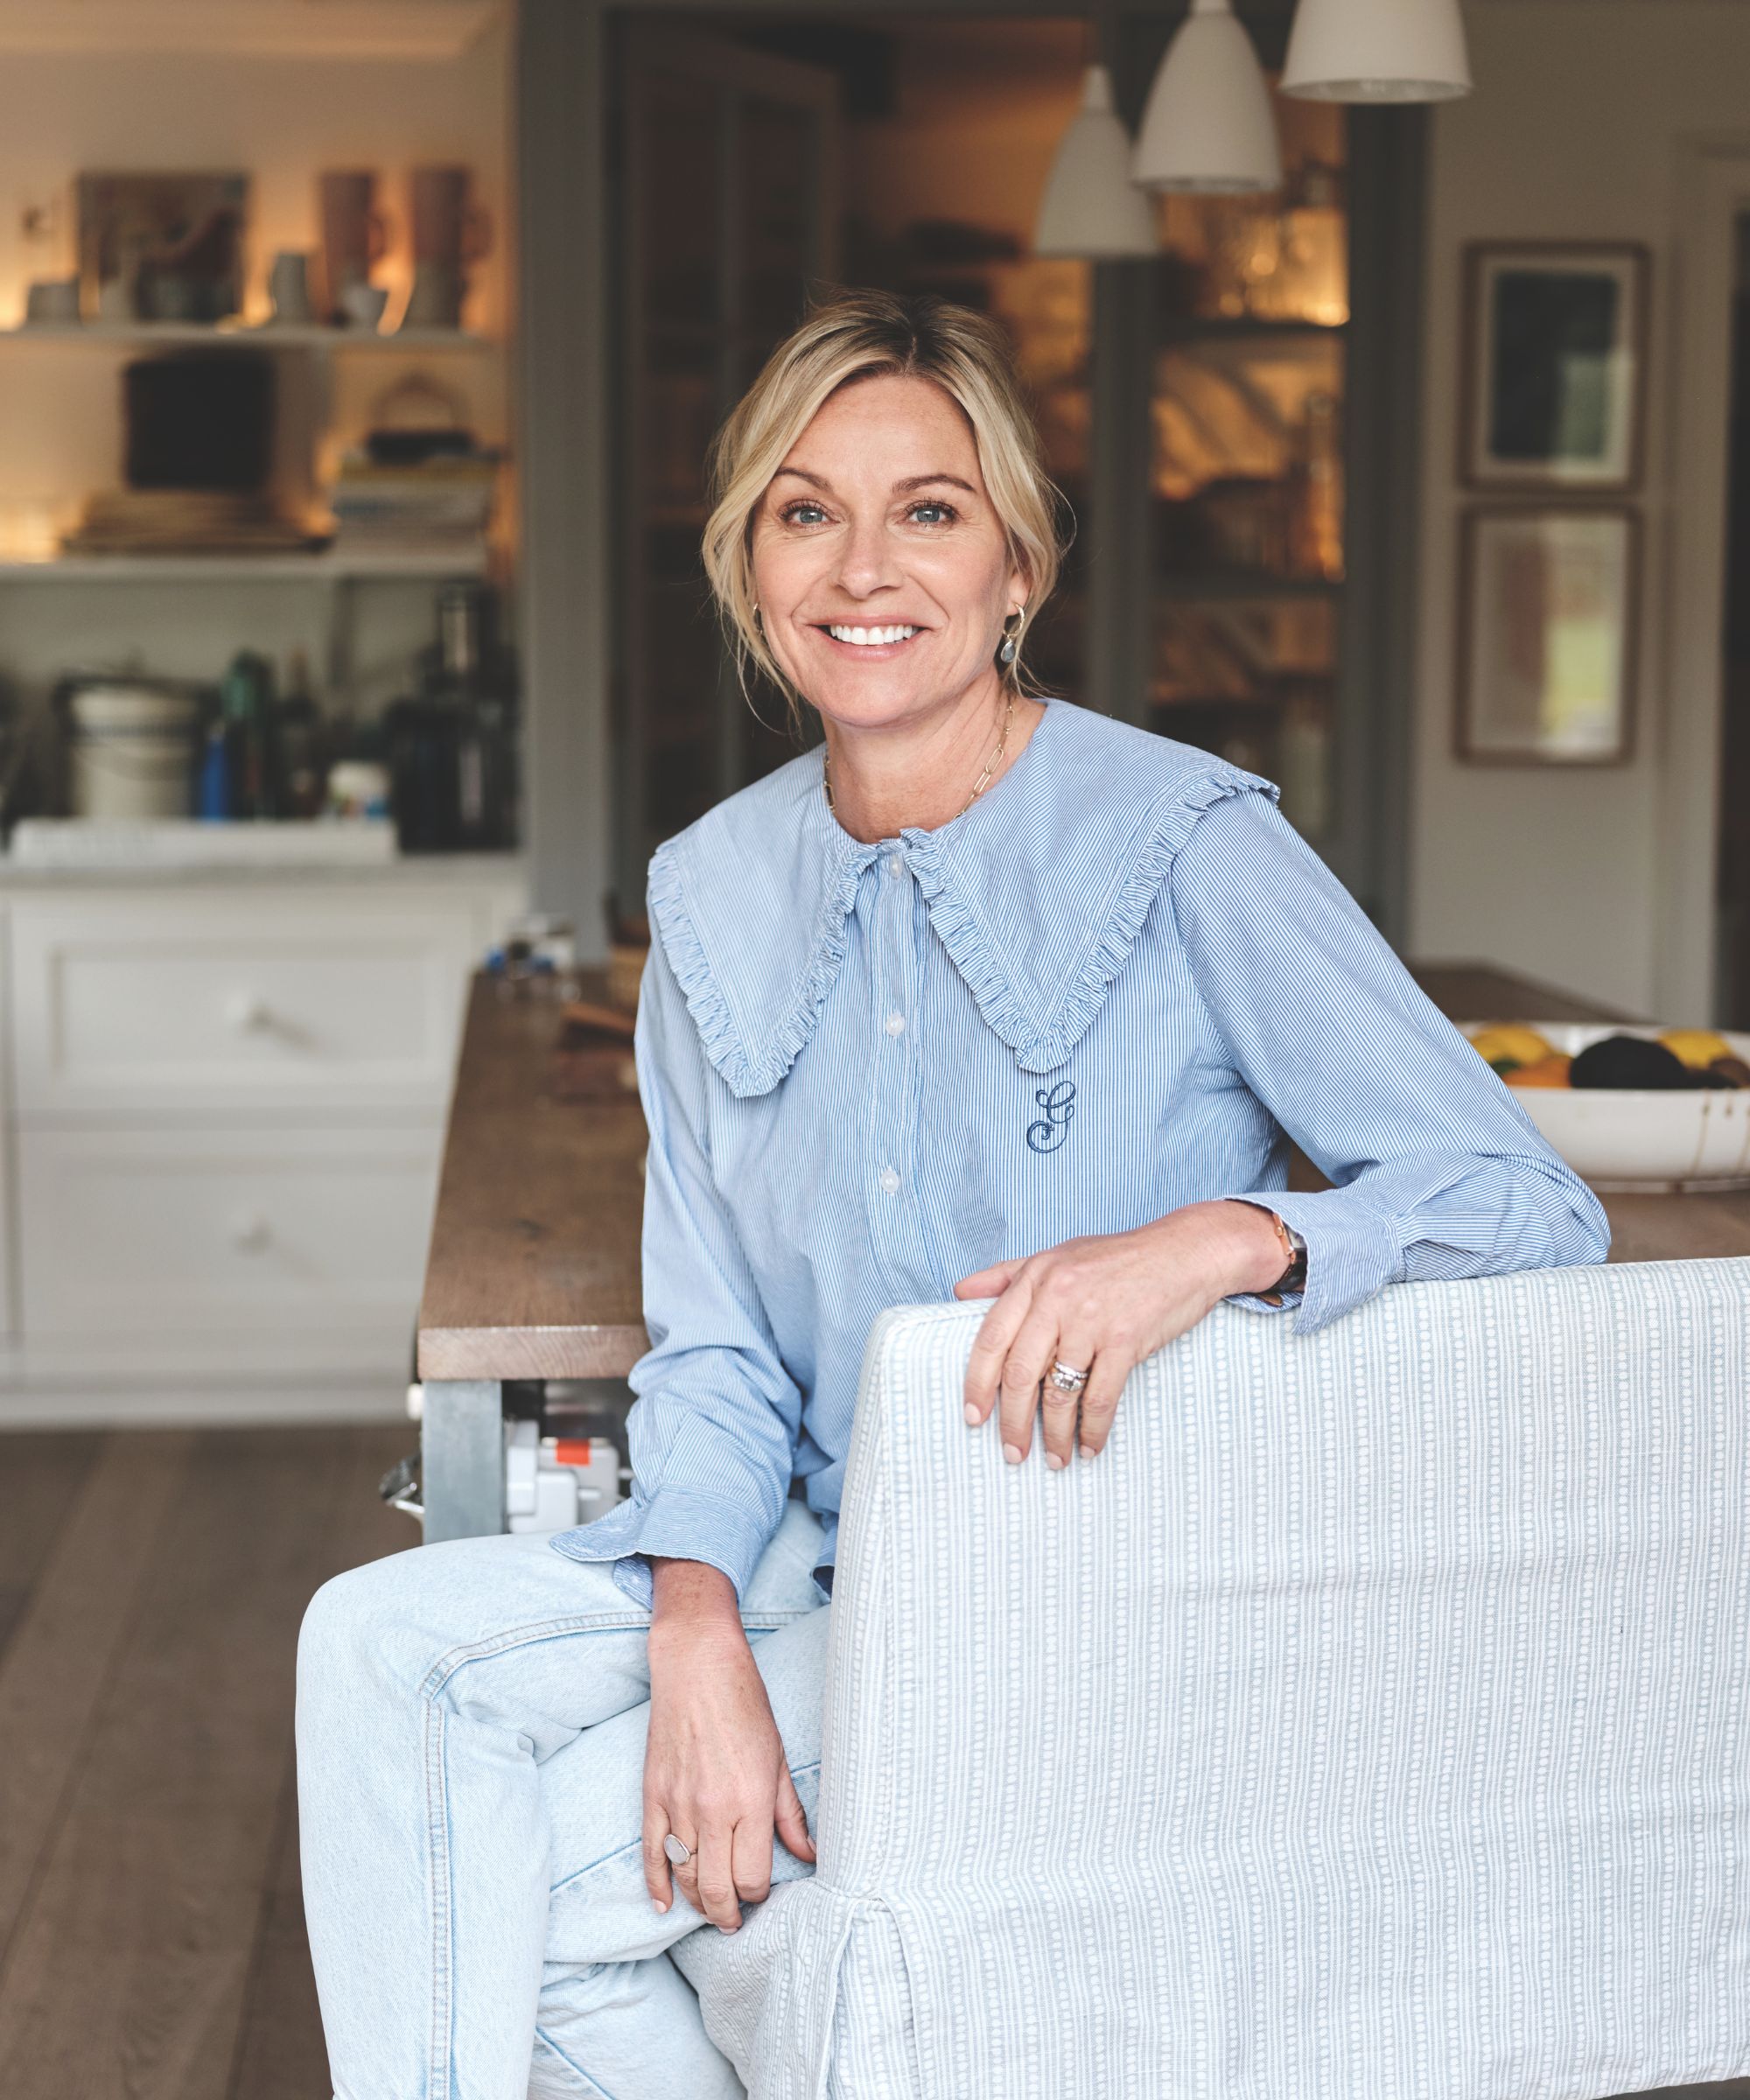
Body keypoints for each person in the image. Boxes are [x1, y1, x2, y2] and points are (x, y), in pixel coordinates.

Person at [297, 288, 1609, 2099]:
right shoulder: (708, 893)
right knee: (371, 1638)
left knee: (521, 1889)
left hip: (1067, 1596)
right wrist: (694, 1633)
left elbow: (1527, 1203)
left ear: (1016, 566)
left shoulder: (1185, 841)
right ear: (751, 568)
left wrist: (1223, 1240)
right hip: (803, 1569)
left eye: (927, 508)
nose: (862, 565)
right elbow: (721, 1349)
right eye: (804, 508)